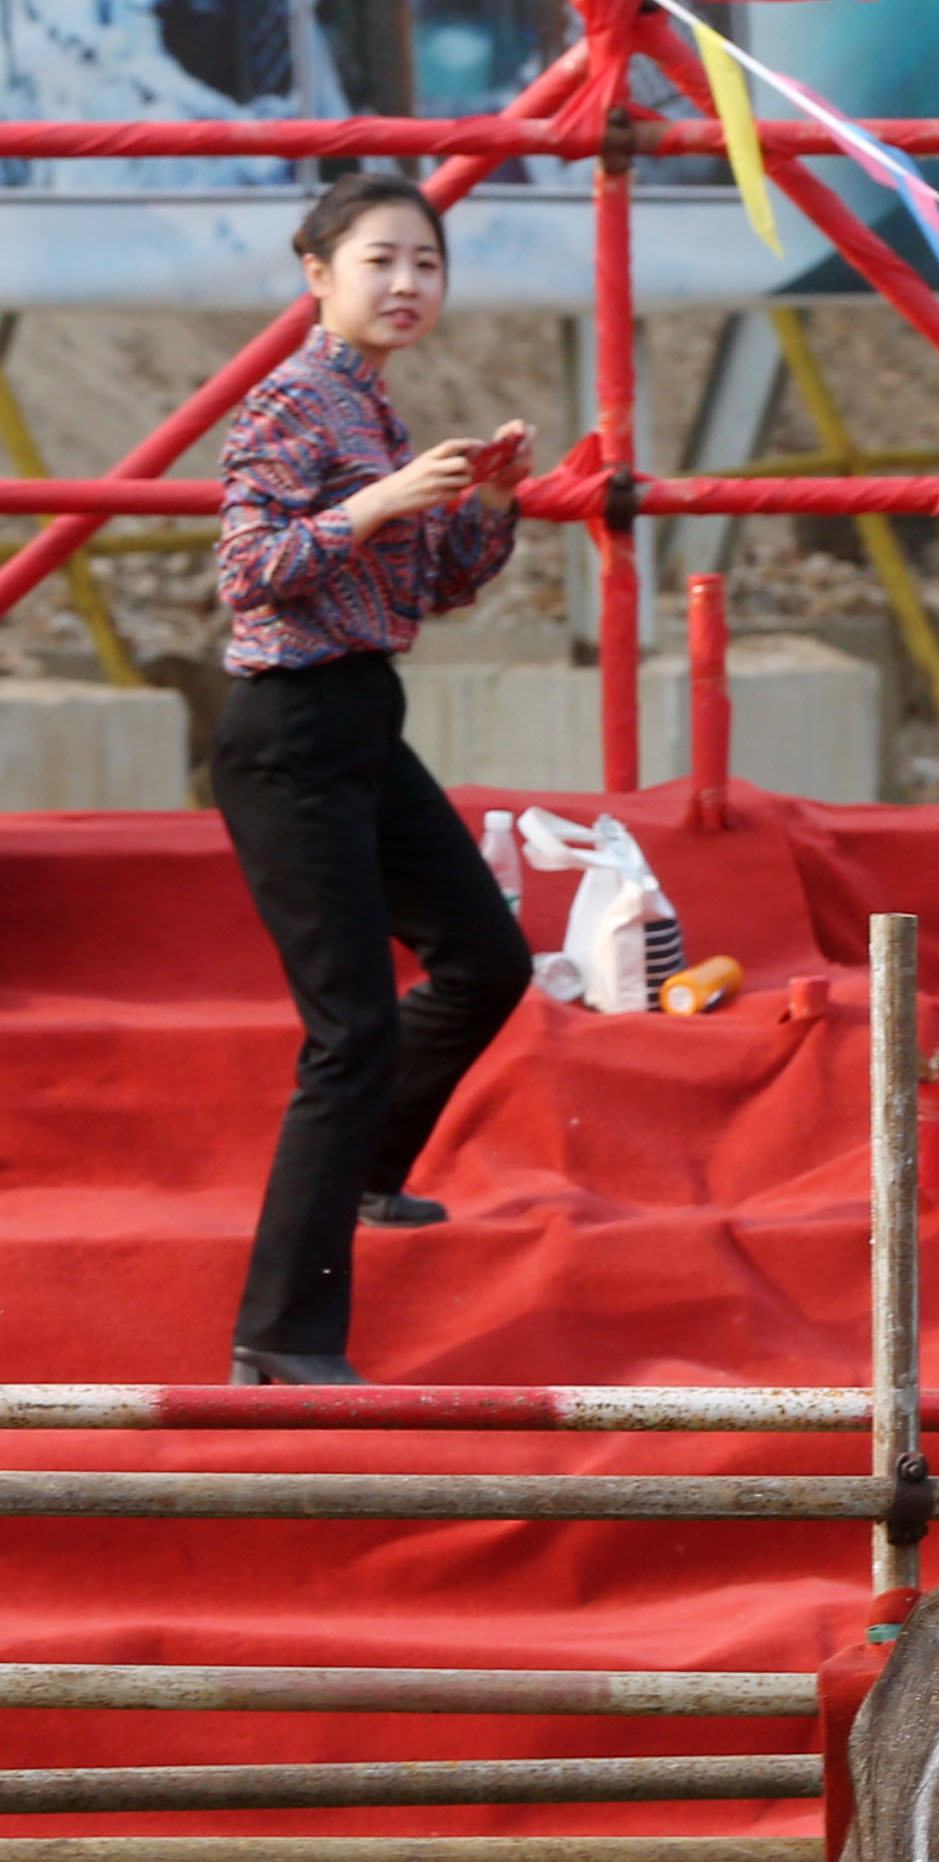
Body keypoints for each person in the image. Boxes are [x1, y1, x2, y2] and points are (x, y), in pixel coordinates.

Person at [211, 170, 539, 1389]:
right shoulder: (293, 404)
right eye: (380, 262)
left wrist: (489, 502)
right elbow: (252, 571)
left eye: (428, 265)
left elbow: (432, 588)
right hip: (289, 731)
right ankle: (281, 1336)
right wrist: (382, 501)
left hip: (359, 718)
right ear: (317, 278)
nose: (408, 285)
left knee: (487, 957)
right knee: (346, 1028)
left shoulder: (374, 410)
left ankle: (366, 1174)